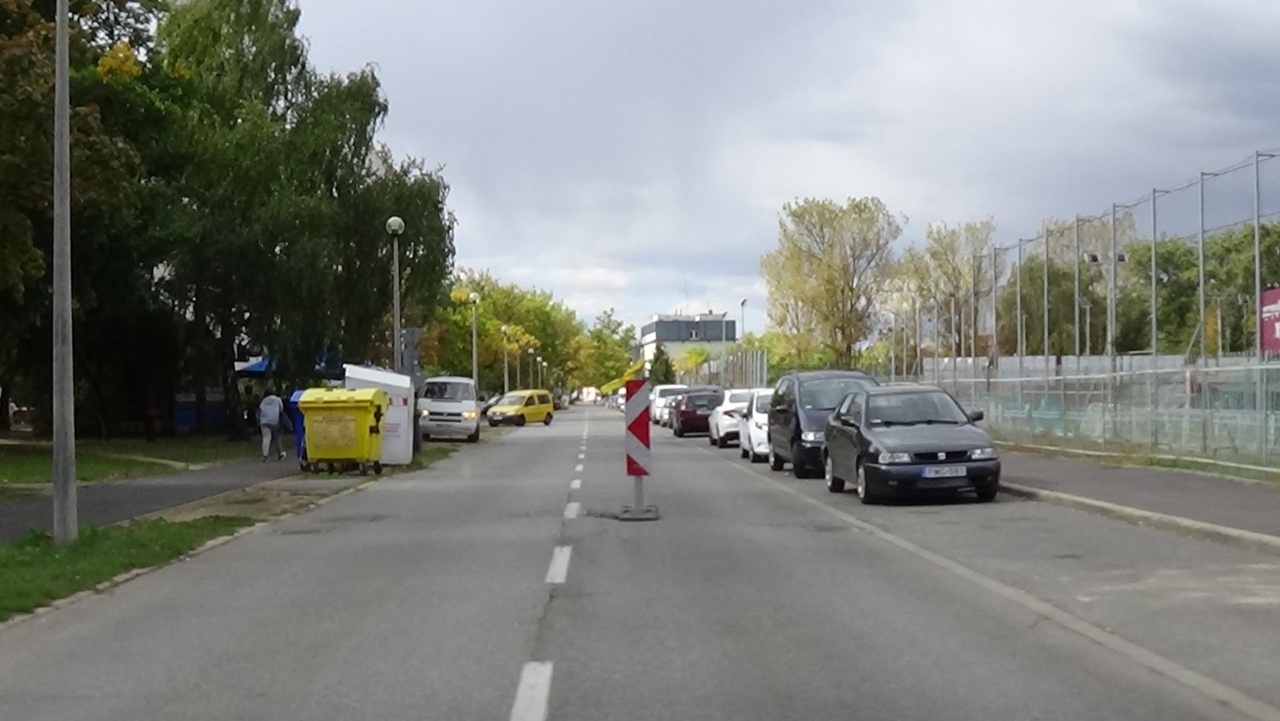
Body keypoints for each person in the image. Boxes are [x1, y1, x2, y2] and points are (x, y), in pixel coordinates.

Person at [257, 387, 286, 461]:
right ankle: (280, 453)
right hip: (274, 420)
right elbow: (281, 409)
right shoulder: (277, 399)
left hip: (264, 421)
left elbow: (259, 410)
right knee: (277, 438)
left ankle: (265, 455)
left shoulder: (263, 401)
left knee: (266, 437)